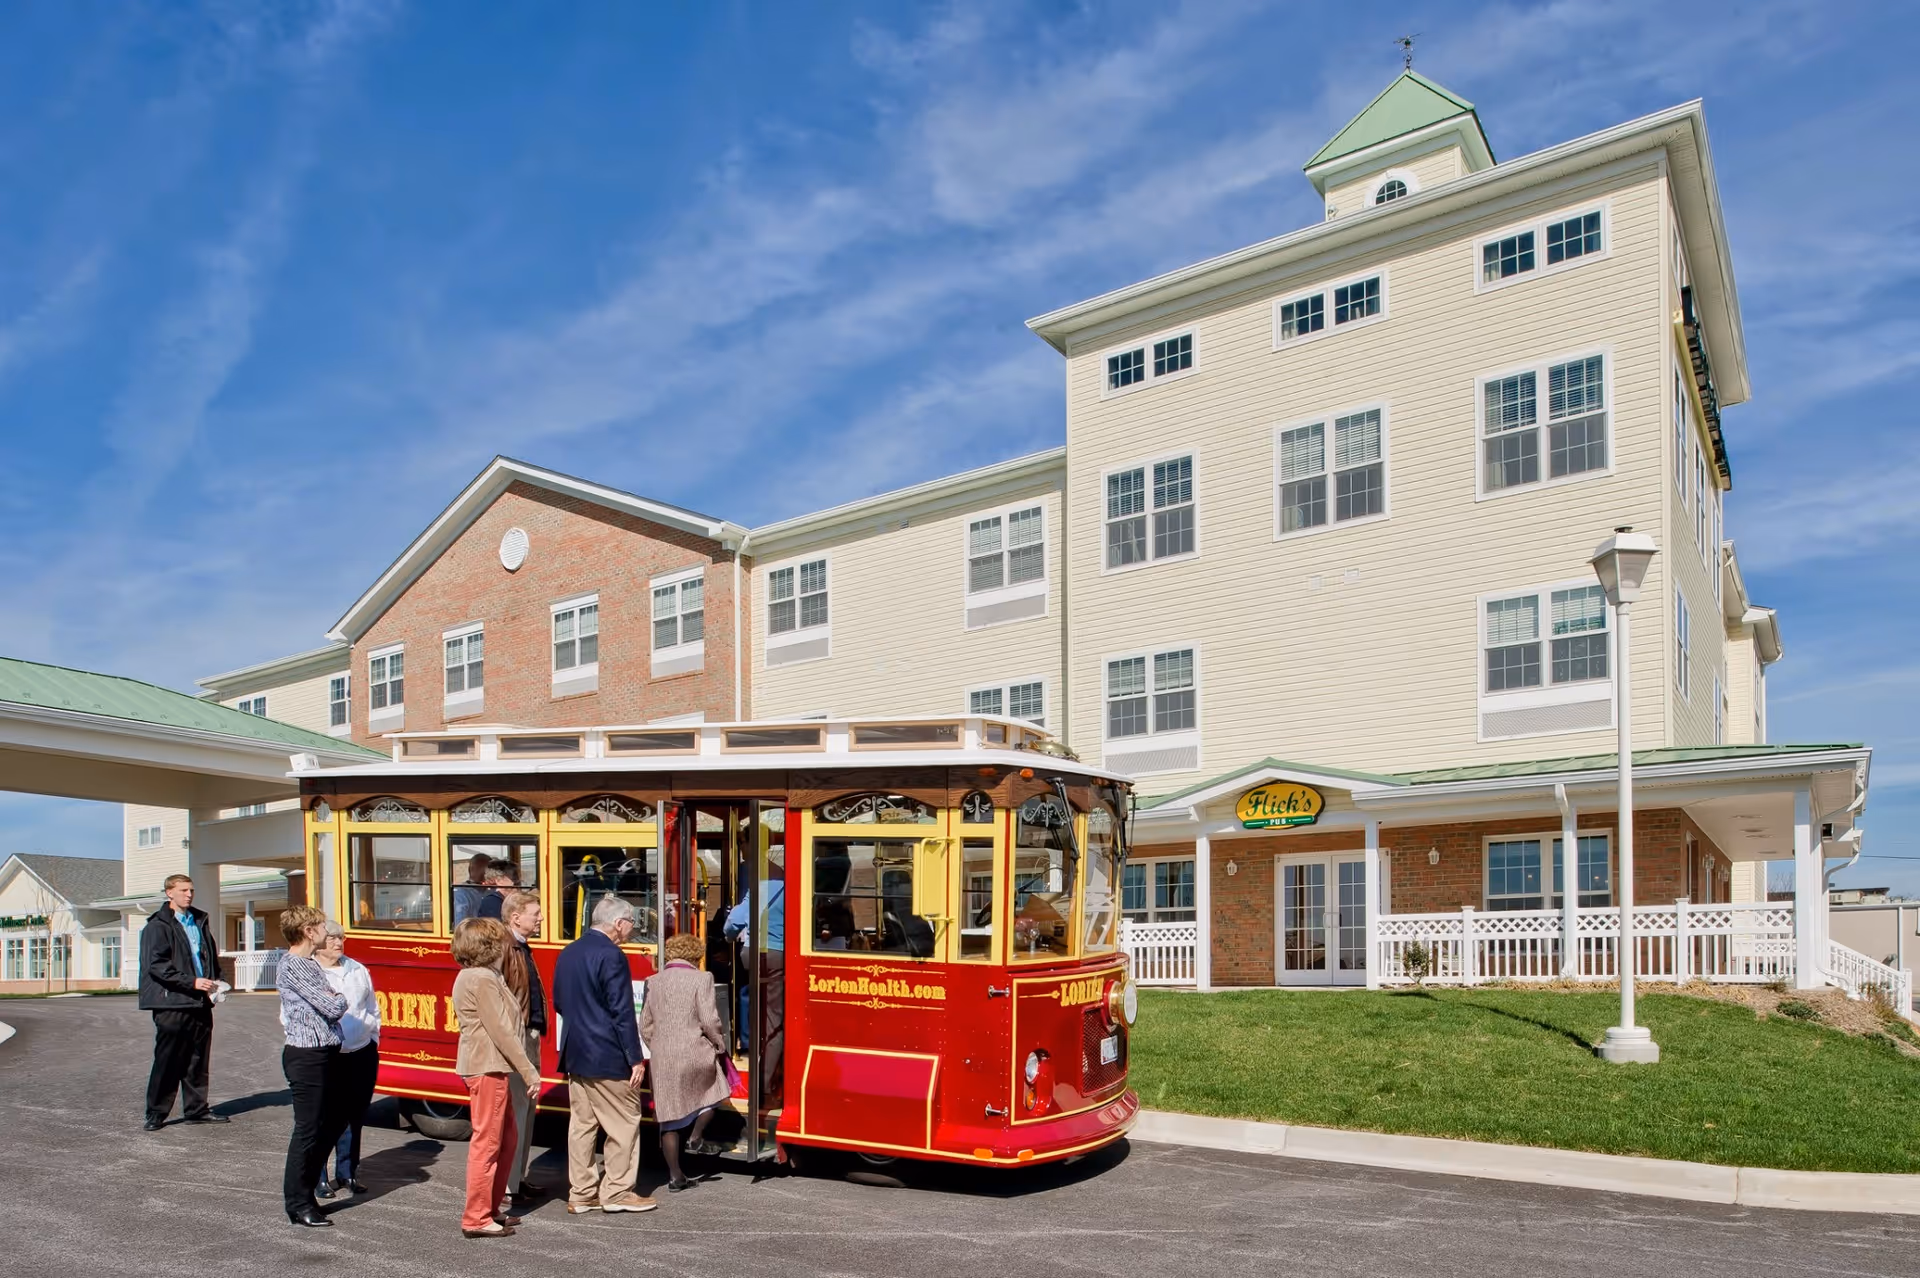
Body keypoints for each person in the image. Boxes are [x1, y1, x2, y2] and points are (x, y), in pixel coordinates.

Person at [550, 894, 656, 1216]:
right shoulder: (612, 955)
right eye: (630, 925)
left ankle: (581, 1193)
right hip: (607, 1054)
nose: (630, 931)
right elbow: (622, 1012)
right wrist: (634, 1057)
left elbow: (558, 1003)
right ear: (618, 923)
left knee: (582, 1126)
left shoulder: (569, 952)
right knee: (623, 1124)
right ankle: (618, 1191)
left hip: (576, 1052)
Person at [450, 918, 540, 1239]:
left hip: (489, 1066)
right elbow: (501, 1030)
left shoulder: (482, 975)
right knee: (488, 1144)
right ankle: (476, 1217)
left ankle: (488, 1209)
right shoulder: (482, 979)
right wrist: (529, 1070)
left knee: (506, 1141)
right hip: (486, 1066)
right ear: (488, 946)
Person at [639, 933, 730, 1192]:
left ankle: (675, 1176)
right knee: (715, 1091)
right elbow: (709, 1019)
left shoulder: (653, 981)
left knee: (668, 1117)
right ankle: (695, 1136)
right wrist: (719, 1045)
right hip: (694, 1050)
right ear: (696, 955)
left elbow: (645, 1024)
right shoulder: (703, 978)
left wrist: (657, 1045)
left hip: (662, 1055)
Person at [278, 906, 349, 1228]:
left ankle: (305, 1193)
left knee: (334, 1121)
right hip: (307, 1055)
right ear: (308, 932)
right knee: (308, 1129)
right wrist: (337, 997)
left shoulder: (308, 964)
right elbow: (332, 1005)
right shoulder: (295, 965)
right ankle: (298, 1201)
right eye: (320, 926)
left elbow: (329, 1002)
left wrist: (334, 996)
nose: (326, 931)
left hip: (326, 1051)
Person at [139, 873, 227, 1131]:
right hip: (172, 1003)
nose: (189, 895)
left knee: (198, 1059)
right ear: (169, 893)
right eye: (184, 890)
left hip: (199, 1002)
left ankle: (197, 1109)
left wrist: (217, 980)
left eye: (191, 890)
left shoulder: (198, 921)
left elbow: (208, 956)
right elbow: (157, 966)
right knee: (168, 1060)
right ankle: (156, 1113)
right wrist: (191, 982)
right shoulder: (157, 926)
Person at [312, 923, 380, 1199]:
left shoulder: (357, 969)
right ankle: (318, 1177)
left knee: (354, 1115)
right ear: (318, 941)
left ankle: (348, 1172)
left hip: (361, 1050)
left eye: (341, 937)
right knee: (323, 1116)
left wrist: (374, 1037)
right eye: (331, 938)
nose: (338, 943)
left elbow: (372, 1007)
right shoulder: (311, 971)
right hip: (328, 1053)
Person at [499, 889, 549, 1206]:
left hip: (530, 1035)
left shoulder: (522, 946)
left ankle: (517, 1179)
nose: (541, 917)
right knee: (515, 1111)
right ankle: (505, 1185)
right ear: (516, 917)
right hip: (517, 1037)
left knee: (527, 1111)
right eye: (536, 912)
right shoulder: (505, 947)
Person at [452, 854, 494, 927]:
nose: (485, 872)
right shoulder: (462, 893)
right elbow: (460, 925)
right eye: (482, 868)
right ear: (471, 869)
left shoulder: (491, 891)